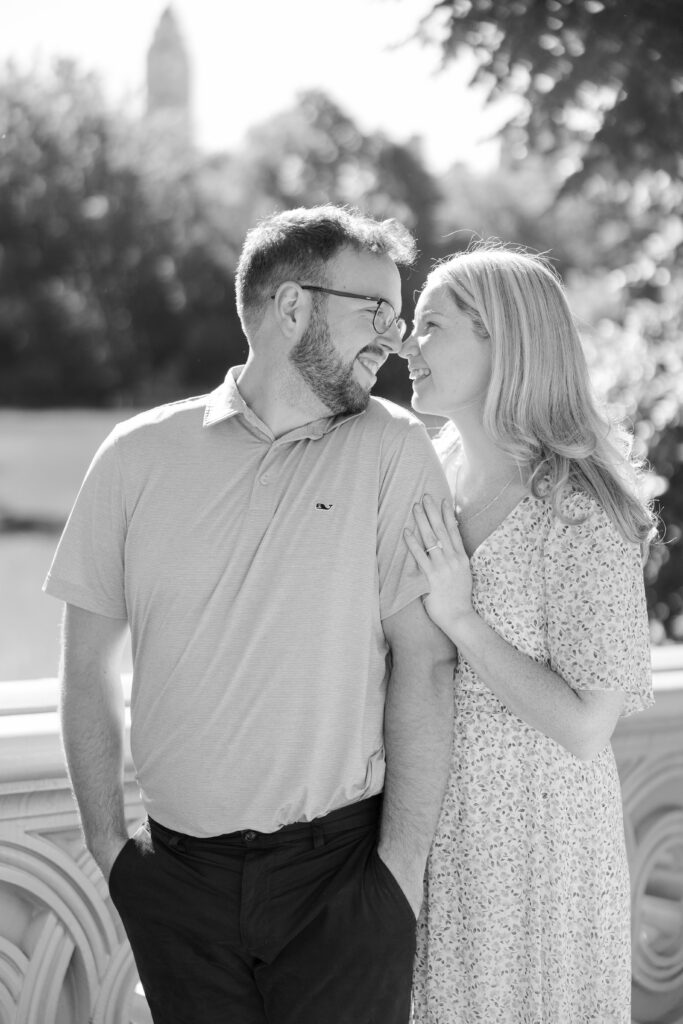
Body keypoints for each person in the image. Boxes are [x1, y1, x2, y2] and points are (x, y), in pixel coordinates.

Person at [43, 205, 457, 1024]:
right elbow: (86, 663)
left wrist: (398, 870)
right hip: (178, 883)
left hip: (341, 878)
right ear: (291, 307)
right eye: (373, 312)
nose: (394, 339)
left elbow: (426, 659)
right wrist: (110, 847)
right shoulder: (134, 456)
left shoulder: (394, 449)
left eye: (398, 316)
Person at [400, 243, 656, 1023]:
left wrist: (461, 621)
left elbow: (586, 726)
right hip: (428, 839)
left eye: (431, 325)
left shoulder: (580, 511)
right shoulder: (424, 476)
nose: (409, 347)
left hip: (540, 855)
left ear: (500, 341)